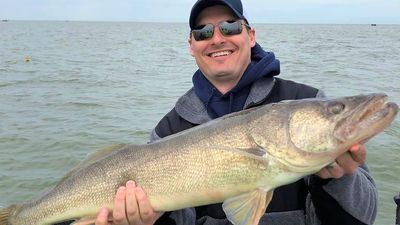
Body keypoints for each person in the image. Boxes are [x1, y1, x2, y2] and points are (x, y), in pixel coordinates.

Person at [96, 0, 378, 224]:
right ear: (191, 46)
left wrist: (338, 179)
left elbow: (364, 217)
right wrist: (150, 220)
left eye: (230, 27)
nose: (217, 38)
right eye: (203, 32)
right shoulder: (169, 129)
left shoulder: (305, 98)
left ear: (251, 35)